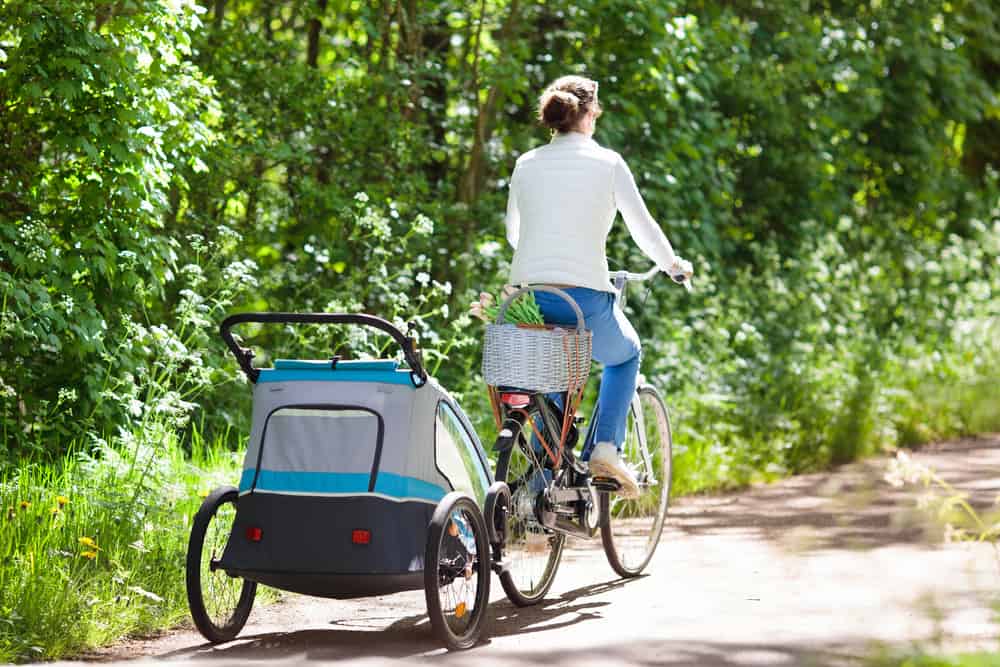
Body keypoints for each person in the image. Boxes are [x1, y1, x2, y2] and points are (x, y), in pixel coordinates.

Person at [503, 74, 692, 498]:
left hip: (530, 298)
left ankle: (536, 498)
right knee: (626, 355)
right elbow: (643, 227)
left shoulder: (526, 163)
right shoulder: (608, 163)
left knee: (554, 392)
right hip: (584, 298)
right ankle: (607, 448)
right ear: (589, 115)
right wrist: (672, 264)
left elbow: (515, 232)